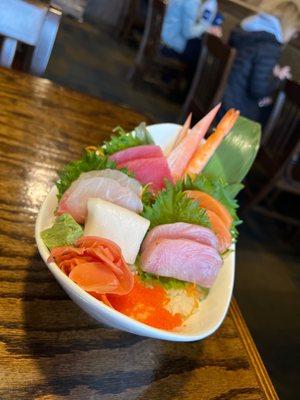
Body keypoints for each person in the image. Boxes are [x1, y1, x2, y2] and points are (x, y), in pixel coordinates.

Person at [220, 0, 300, 124]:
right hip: (232, 110)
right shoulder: (269, 46)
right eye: (295, 32)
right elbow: (257, 91)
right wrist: (279, 78)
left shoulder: (246, 28)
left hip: (221, 94)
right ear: (290, 27)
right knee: (272, 113)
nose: (292, 37)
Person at [161, 0, 222, 69]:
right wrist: (206, 27)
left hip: (164, 33)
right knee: (202, 55)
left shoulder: (209, 3)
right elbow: (188, 33)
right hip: (169, 43)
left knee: (200, 50)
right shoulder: (192, 2)